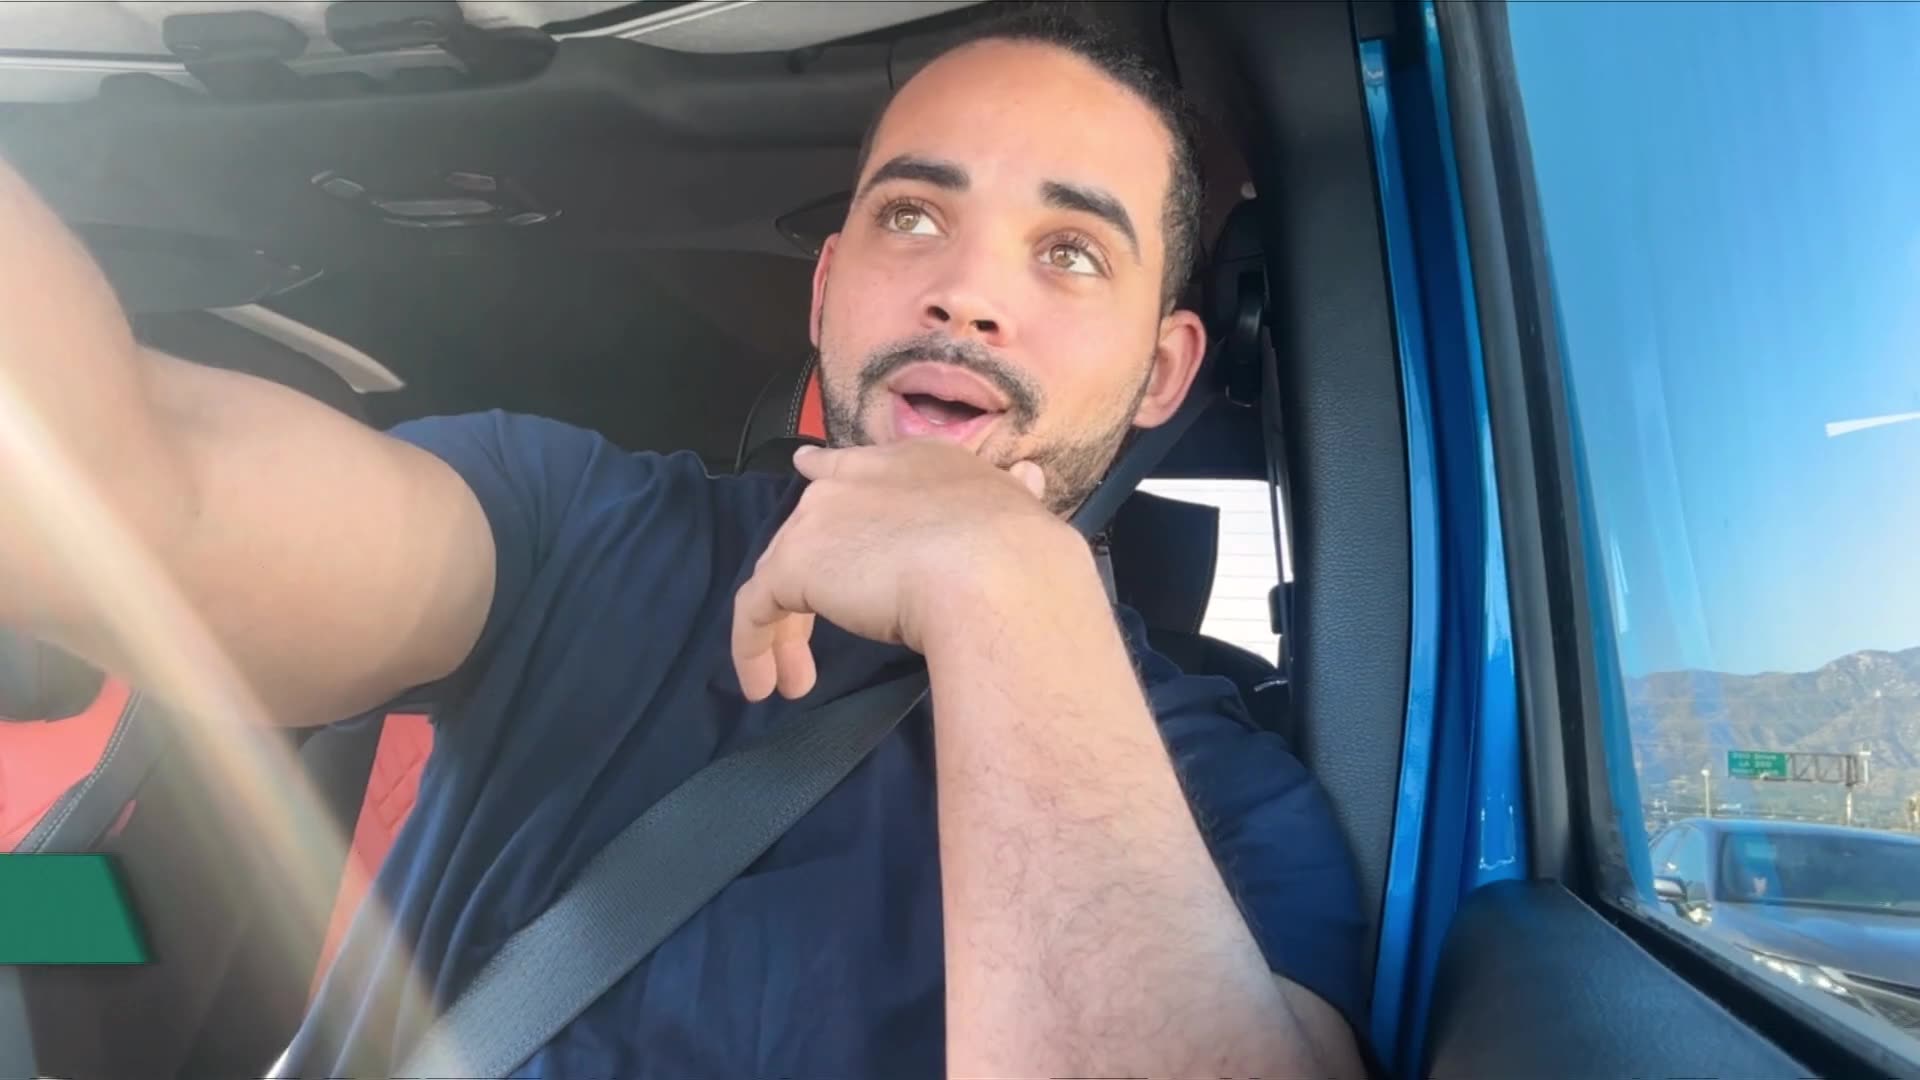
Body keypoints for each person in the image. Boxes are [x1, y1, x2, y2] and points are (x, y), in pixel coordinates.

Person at [0, 12, 1366, 1078]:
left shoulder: (1235, 811)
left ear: (1162, 373)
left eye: (1070, 253)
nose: (965, 293)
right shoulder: (575, 530)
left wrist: (1006, 580)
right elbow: (129, 495)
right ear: (828, 290)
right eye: (911, 216)